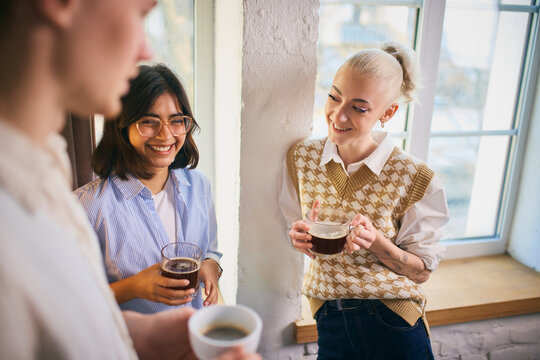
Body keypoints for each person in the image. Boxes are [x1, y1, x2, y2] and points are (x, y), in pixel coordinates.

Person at [0, 0, 259, 359]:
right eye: (140, 13)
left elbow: (68, 324)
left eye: (177, 120)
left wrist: (145, 337)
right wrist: (135, 289)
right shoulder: (79, 204)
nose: (144, 48)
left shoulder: (43, 172)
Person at [281, 42, 450, 360]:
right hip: (330, 320)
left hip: (393, 322)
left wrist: (377, 242)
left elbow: (421, 272)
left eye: (358, 108)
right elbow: (300, 233)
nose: (338, 114)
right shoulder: (302, 158)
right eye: (334, 96)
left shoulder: (414, 178)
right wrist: (299, 237)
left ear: (387, 113)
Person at [75, 63, 222, 313]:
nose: (165, 135)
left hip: (194, 338)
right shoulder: (86, 207)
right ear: (122, 127)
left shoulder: (200, 186)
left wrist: (211, 264)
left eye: (176, 121)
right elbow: (72, 300)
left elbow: (211, 251)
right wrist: (133, 287)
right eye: (149, 122)